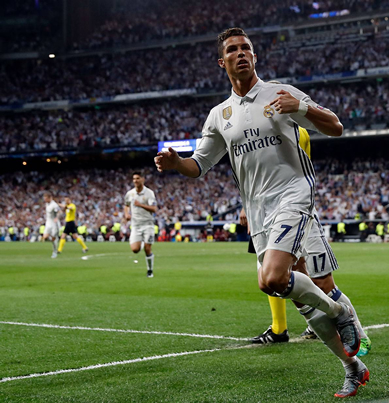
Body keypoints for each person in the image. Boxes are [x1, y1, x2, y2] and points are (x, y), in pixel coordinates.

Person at [155, 27, 368, 398]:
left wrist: (301, 108)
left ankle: (341, 314)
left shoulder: (280, 93)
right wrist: (177, 164)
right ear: (222, 62)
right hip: (257, 211)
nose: (241, 54)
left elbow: (335, 126)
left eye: (246, 49)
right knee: (299, 294)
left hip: (293, 194)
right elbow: (199, 166)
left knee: (272, 279)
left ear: (254, 57)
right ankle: (353, 365)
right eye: (233, 50)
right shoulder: (219, 115)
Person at [247, 126, 371, 358]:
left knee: (323, 281)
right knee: (283, 278)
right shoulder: (253, 130)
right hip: (267, 215)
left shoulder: (294, 129)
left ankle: (360, 335)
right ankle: (289, 327)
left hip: (299, 213)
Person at [124, 172, 158, 278]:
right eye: (134, 178)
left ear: (143, 179)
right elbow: (126, 205)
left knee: (147, 249)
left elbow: (154, 209)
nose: (135, 181)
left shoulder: (149, 193)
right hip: (135, 225)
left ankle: (150, 270)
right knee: (135, 249)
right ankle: (142, 243)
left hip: (148, 224)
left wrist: (140, 205)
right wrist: (126, 214)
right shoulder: (130, 194)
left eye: (138, 178)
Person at [42, 192, 60, 258]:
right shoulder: (47, 204)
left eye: (46, 198)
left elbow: (59, 212)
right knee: (45, 237)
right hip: (48, 223)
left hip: (54, 224)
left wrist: (56, 218)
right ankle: (54, 239)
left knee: (53, 238)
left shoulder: (54, 205)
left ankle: (55, 252)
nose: (45, 200)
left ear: (49, 198)